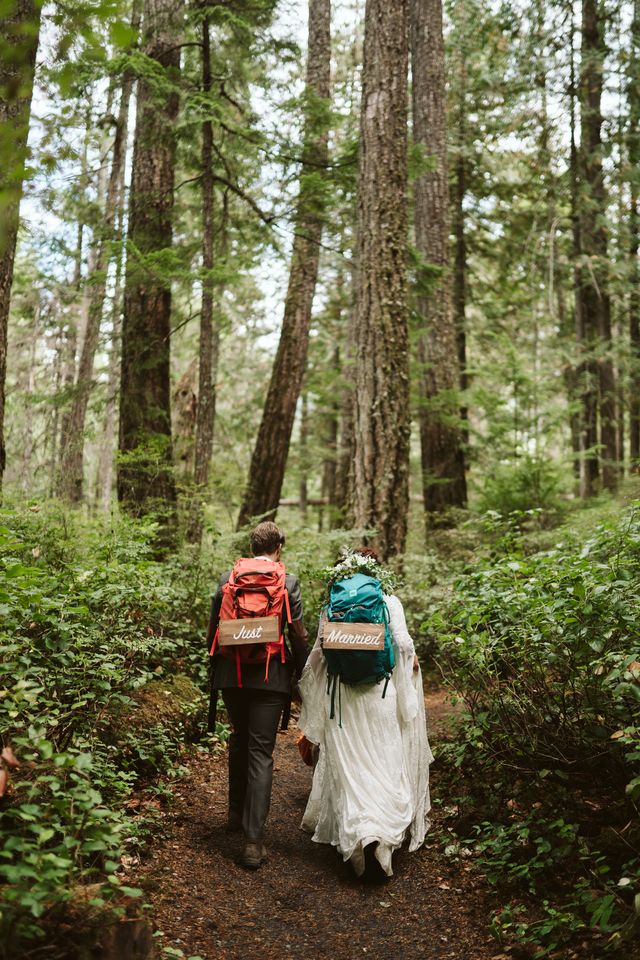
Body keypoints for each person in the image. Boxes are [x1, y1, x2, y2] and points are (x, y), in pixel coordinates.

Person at [298, 549, 432, 879]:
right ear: (377, 574)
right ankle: (383, 837)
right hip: (380, 695)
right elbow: (402, 645)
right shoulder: (389, 602)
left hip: (343, 700)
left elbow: (318, 654)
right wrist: (408, 673)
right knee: (385, 762)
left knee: (351, 769)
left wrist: (306, 690)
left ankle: (358, 835)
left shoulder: (334, 604)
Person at [207, 521, 309, 869]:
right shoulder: (288, 582)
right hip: (270, 675)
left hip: (230, 673)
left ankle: (235, 815)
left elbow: (212, 629)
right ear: (279, 546)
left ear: (253, 546)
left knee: (238, 738)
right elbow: (296, 633)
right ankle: (252, 842)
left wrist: (213, 666)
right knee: (260, 752)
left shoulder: (227, 579)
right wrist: (302, 672)